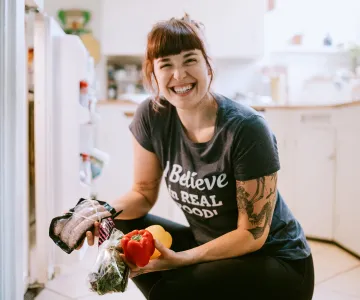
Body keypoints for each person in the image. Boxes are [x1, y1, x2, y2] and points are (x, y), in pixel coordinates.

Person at [82, 14, 315, 300]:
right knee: (120, 222)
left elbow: (251, 234)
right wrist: (100, 211)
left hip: (276, 261)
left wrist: (182, 259)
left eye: (189, 60)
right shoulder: (152, 116)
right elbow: (142, 194)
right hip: (211, 245)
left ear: (208, 65)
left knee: (172, 291)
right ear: (153, 74)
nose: (179, 75)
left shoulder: (247, 128)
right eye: (166, 64)